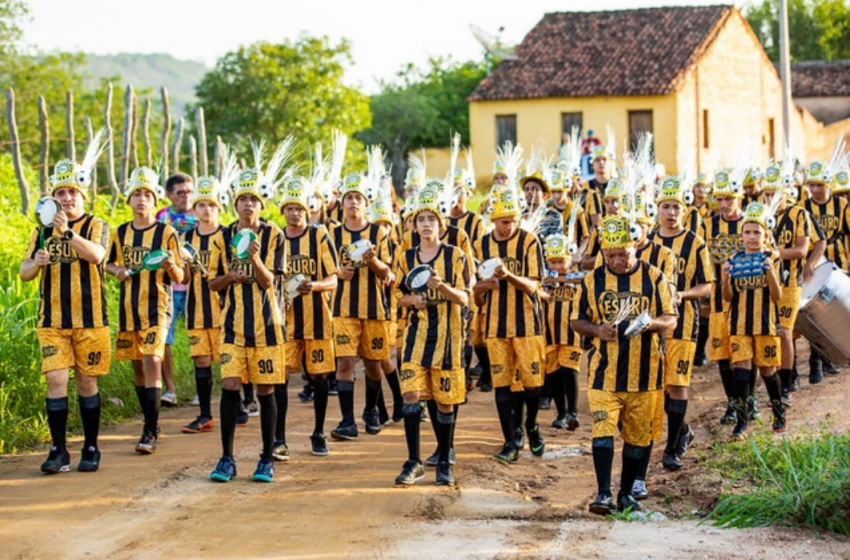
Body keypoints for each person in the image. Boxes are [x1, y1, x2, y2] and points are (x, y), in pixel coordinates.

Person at [571, 213, 677, 515]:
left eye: (624, 254)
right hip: (604, 375)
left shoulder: (655, 277)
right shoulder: (593, 281)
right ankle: (603, 494)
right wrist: (596, 330)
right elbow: (577, 321)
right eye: (611, 255)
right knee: (602, 429)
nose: (618, 260)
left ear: (635, 247)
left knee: (637, 438)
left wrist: (651, 324)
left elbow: (671, 320)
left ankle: (626, 493)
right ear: (604, 253)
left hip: (646, 377)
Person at [20, 151, 111, 473]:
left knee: (87, 384)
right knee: (56, 381)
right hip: (52, 321)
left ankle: (91, 446)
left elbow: (98, 255)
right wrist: (36, 263)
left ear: (82, 195)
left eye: (72, 192)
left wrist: (69, 233)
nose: (67, 197)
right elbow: (24, 272)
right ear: (53, 198)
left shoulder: (96, 223)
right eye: (61, 193)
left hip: (90, 320)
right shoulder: (41, 230)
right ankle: (58, 450)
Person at [208, 147, 288, 483]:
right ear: (235, 203)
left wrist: (254, 261)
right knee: (229, 386)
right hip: (232, 326)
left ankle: (266, 457)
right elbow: (213, 282)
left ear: (262, 204)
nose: (248, 204)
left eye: (253, 199)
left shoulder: (274, 235)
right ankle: (226, 458)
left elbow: (270, 281)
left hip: (268, 325)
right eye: (242, 198)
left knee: (267, 390)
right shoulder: (223, 236)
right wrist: (231, 277)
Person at [393, 187, 471, 486]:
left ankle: (444, 459)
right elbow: (397, 293)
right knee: (411, 395)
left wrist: (441, 288)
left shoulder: (456, 256)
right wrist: (411, 301)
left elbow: (465, 297)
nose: (426, 224)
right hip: (415, 337)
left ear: (440, 225)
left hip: (448, 339)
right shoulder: (406, 257)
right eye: (420, 219)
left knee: (444, 403)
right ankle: (413, 461)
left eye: (431, 219)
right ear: (413, 224)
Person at [105, 167, 183, 454]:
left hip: (158, 307)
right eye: (136, 194)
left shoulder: (167, 232)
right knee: (137, 364)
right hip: (129, 309)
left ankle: (149, 429)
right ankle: (151, 420)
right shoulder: (120, 232)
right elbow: (108, 263)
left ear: (155, 200)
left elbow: (180, 276)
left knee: (152, 359)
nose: (141, 199)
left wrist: (170, 266)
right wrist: (119, 271)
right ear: (128, 200)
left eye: (147, 194)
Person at [473, 183, 547, 463]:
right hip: (494, 325)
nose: (510, 226)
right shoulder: (482, 244)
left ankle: (531, 425)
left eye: (515, 220)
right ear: (494, 220)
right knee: (501, 384)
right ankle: (509, 440)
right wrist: (482, 287)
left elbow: (533, 287)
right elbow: (477, 296)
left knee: (532, 384)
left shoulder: (529, 241)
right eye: (505, 222)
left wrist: (508, 276)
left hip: (527, 324)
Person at [649, 176, 714, 471]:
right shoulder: (648, 241)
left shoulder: (695, 243)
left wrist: (683, 294)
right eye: (666, 206)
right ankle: (683, 430)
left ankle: (673, 448)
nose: (671, 212)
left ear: (683, 210)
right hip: (652, 327)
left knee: (677, 385)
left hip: (684, 325)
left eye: (676, 206)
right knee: (659, 386)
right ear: (657, 208)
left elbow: (707, 285)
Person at [328, 172, 393, 441]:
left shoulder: (379, 232)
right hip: (343, 309)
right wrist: (337, 272)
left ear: (366, 203)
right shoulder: (331, 234)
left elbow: (387, 273)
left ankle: (370, 411)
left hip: (374, 309)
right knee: (344, 362)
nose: (353, 202)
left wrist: (372, 262)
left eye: (358, 198)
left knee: (374, 364)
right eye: (349, 198)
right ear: (342, 203)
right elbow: (325, 268)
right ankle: (346, 421)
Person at [279, 176, 340, 457]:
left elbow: (334, 279)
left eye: (300, 208)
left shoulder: (319, 235)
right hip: (284, 323)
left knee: (319, 379)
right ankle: (278, 436)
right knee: (279, 378)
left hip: (317, 318)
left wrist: (313, 286)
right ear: (283, 211)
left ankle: (318, 432)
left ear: (308, 209)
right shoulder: (276, 238)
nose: (295, 213)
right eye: (290, 208)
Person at [721, 202, 785, 440]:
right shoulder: (731, 261)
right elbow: (727, 297)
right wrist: (726, 280)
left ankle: (779, 414)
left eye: (756, 232)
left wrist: (769, 273)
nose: (751, 237)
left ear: (765, 235)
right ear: (741, 235)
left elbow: (778, 296)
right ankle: (742, 421)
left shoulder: (773, 258)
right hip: (739, 325)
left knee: (768, 370)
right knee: (741, 371)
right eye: (747, 232)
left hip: (765, 323)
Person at [179, 169, 234, 435]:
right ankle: (205, 415)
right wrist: (182, 265)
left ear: (218, 207)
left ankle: (242, 405)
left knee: (229, 360)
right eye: (202, 204)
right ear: (194, 208)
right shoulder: (186, 238)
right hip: (195, 309)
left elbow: (233, 274)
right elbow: (184, 277)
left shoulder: (227, 235)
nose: (207, 209)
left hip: (224, 309)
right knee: (201, 360)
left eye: (211, 204)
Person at [705, 169, 747, 426]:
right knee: (722, 353)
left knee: (743, 352)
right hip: (719, 297)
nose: (723, 205)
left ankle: (747, 400)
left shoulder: (749, 224)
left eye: (728, 199)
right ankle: (732, 402)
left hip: (746, 298)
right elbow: (704, 256)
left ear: (738, 197)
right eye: (719, 200)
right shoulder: (708, 223)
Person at [155, 172, 197, 406]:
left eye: (189, 192)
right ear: (169, 195)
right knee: (164, 339)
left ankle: (201, 387)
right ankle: (170, 390)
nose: (186, 197)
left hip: (195, 287)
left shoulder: (201, 213)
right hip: (168, 286)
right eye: (180, 193)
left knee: (198, 338)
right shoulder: (161, 217)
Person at [539, 234, 582, 430]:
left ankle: (572, 411)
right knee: (554, 374)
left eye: (561, 262)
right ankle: (561, 412)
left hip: (571, 335)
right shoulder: (545, 281)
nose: (557, 266)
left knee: (570, 371)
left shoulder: (578, 281)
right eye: (553, 262)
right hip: (550, 336)